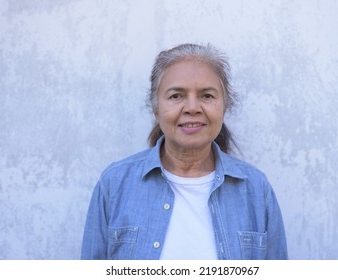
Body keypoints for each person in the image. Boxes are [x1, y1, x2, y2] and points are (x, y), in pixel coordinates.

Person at [81, 43, 288, 260]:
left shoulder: (255, 189)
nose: (192, 107)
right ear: (156, 108)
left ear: (224, 107)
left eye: (207, 96)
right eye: (176, 96)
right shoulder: (115, 184)